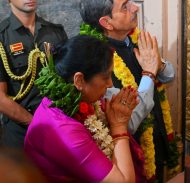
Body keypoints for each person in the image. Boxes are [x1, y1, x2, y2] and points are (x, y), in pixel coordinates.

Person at [79, 0, 175, 182]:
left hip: (159, 134)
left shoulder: (134, 38)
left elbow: (169, 75)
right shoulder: (99, 61)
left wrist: (158, 64)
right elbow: (128, 122)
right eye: (125, 6)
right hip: (133, 151)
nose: (135, 7)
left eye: (129, 1)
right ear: (106, 23)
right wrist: (149, 72)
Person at [25, 35, 141, 182]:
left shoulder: (75, 98)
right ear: (79, 80)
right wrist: (119, 126)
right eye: (106, 77)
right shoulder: (63, 130)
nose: (111, 84)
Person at [0, 0, 67, 148]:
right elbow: (1, 99)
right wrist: (35, 123)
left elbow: (68, 78)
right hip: (22, 132)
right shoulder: (2, 38)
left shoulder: (55, 31)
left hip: (59, 124)